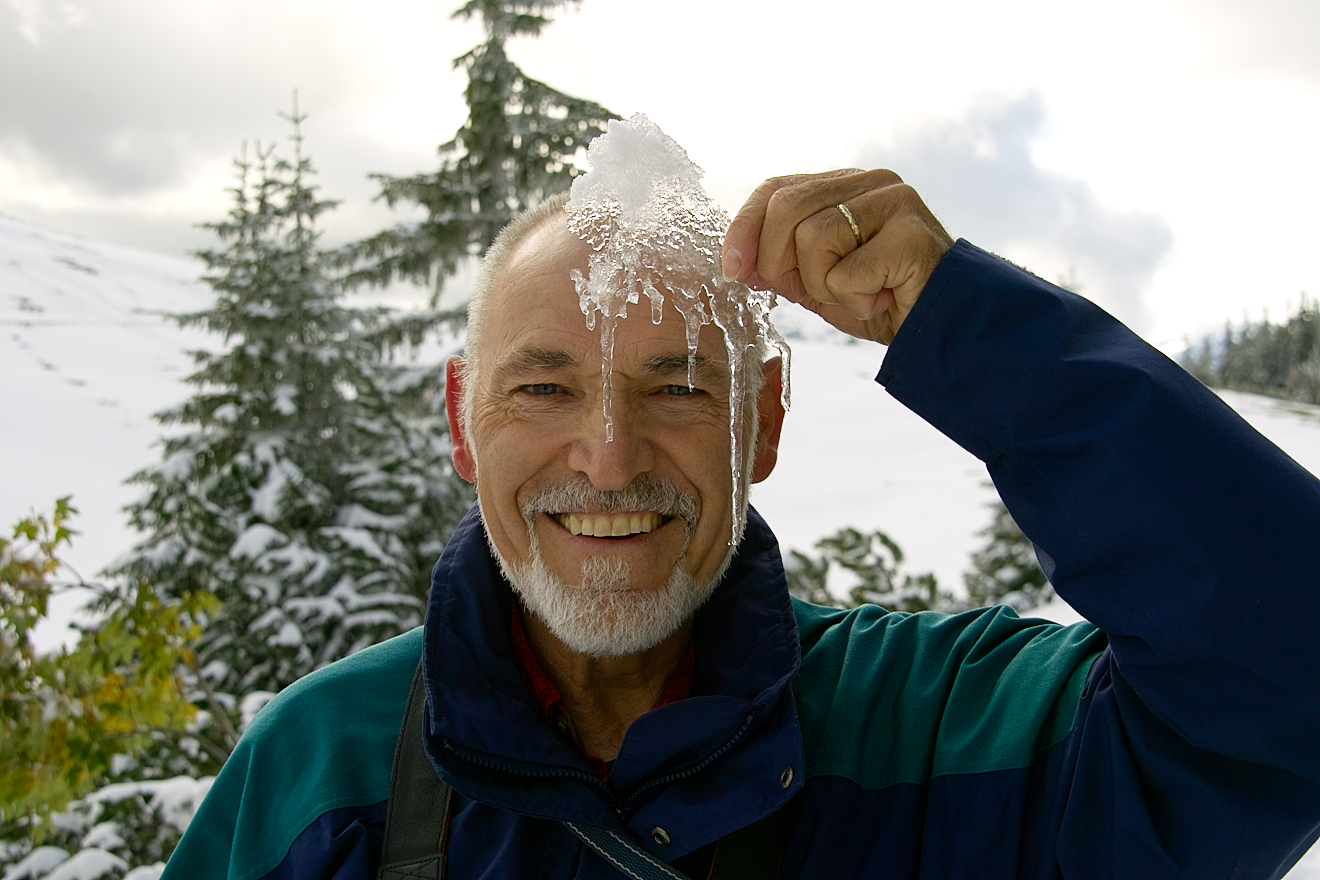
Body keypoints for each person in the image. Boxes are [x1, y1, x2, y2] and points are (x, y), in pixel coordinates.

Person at [160, 168, 1320, 880]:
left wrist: (967, 327)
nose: (608, 457)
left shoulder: (944, 737)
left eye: (677, 387)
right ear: (466, 423)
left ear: (761, 423)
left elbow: (1286, 679)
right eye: (544, 387)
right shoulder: (322, 769)